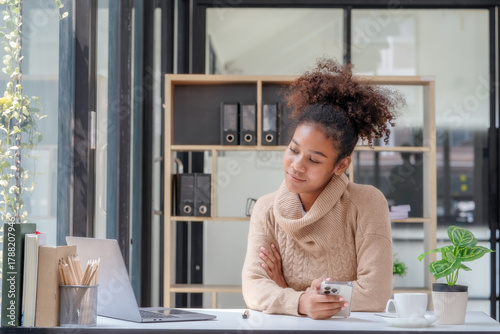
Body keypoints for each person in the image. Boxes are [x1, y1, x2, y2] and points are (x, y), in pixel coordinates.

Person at [241, 58, 405, 320]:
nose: (296, 165)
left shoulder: (367, 203)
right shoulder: (266, 209)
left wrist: (287, 291)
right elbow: (253, 287)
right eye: (293, 150)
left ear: (341, 165)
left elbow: (375, 295)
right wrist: (301, 302)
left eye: (314, 160)